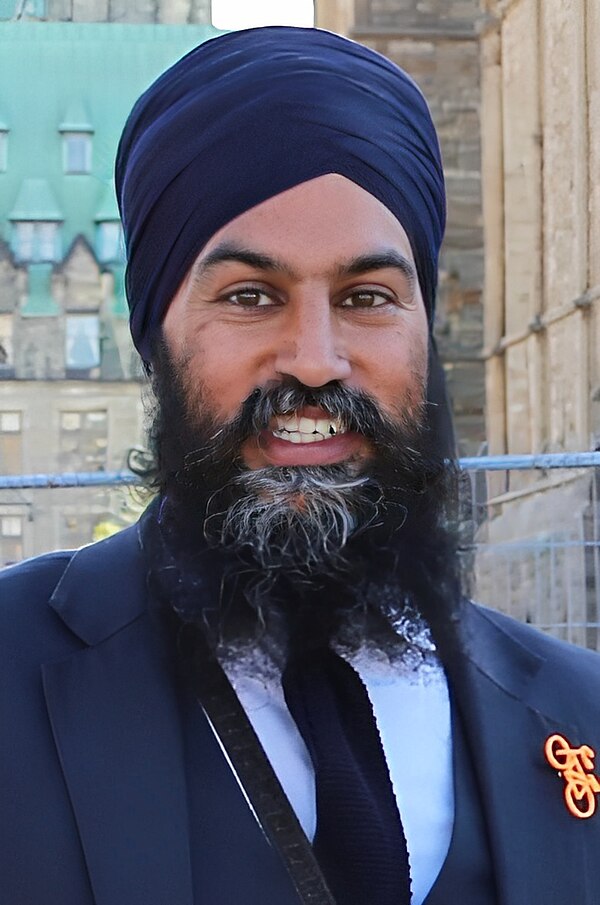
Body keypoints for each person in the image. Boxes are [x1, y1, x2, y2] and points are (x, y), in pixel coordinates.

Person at [1, 26, 599, 905]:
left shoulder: (577, 714)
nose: (315, 359)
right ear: (154, 335)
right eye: (251, 295)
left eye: (366, 298)